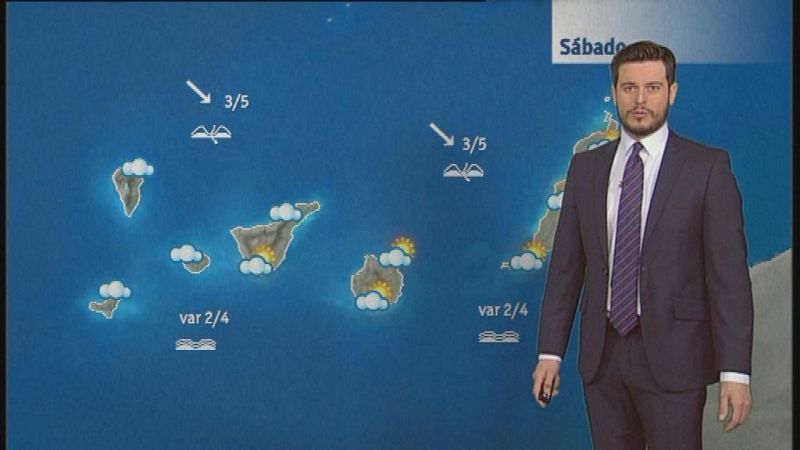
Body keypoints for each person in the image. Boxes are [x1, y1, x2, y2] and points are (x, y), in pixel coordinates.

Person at [531, 41, 753, 450]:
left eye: (652, 87)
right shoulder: (586, 168)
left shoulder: (707, 168)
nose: (640, 99)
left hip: (676, 359)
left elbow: (730, 280)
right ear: (614, 93)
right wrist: (550, 353)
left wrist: (735, 372)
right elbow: (565, 269)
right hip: (602, 360)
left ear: (672, 92)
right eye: (629, 87)